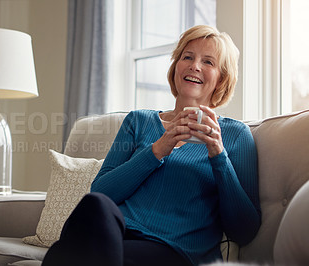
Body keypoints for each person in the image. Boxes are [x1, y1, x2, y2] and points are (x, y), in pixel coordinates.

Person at [42, 25, 261, 266]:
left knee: (64, 256)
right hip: (114, 236)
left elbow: (244, 230)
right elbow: (100, 192)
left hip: (176, 251)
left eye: (208, 62)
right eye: (187, 57)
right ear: (176, 66)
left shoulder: (235, 135)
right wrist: (157, 150)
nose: (194, 66)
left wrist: (218, 155)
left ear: (222, 79)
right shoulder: (139, 121)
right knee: (96, 205)